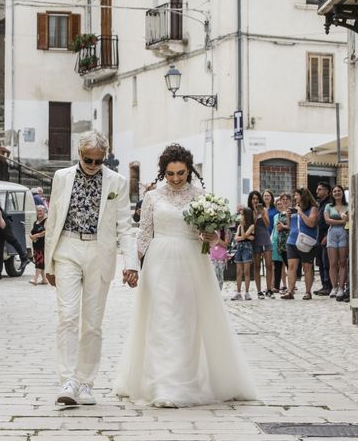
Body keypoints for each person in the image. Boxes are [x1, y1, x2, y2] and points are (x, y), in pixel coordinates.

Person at [115, 144, 256, 408]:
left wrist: (212, 236)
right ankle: (163, 384)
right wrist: (132, 266)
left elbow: (207, 236)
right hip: (159, 262)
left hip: (192, 262)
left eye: (181, 173)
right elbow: (144, 233)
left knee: (187, 320)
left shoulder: (201, 197)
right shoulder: (153, 198)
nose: (176, 179)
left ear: (189, 170)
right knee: (163, 318)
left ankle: (185, 381)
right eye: (170, 174)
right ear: (163, 173)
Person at [45, 131, 139, 406]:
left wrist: (131, 264)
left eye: (99, 161)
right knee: (68, 316)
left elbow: (125, 225)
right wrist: (48, 262)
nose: (93, 165)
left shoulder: (117, 182)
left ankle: (86, 382)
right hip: (68, 248)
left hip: (100, 250)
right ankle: (68, 380)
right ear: (79, 154)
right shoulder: (62, 177)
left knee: (93, 323)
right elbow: (52, 221)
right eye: (89, 160)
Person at [283, 187, 319, 300]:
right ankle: (290, 291)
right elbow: (290, 227)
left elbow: (311, 223)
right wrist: (289, 216)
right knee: (292, 267)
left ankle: (308, 292)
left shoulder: (313, 209)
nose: (294, 197)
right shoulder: (294, 209)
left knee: (307, 266)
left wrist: (300, 212)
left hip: (306, 241)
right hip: (292, 241)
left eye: (296, 195)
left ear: (303, 196)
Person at [324, 185, 350, 300]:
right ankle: (334, 287)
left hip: (344, 233)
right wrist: (342, 221)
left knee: (343, 262)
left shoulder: (347, 206)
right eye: (334, 191)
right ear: (332, 194)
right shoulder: (328, 206)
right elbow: (327, 220)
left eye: (339, 191)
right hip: (332, 234)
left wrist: (342, 221)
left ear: (342, 193)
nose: (337, 193)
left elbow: (349, 219)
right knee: (333, 262)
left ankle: (341, 287)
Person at [248, 190, 273, 299]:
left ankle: (269, 289)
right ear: (250, 200)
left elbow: (267, 224)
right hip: (255, 239)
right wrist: (255, 214)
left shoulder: (264, 210)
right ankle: (259, 290)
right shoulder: (248, 211)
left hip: (265, 237)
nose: (255, 200)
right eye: (253, 199)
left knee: (268, 265)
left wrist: (262, 213)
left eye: (257, 199)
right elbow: (250, 225)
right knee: (257, 265)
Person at [313, 182, 333, 296]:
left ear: (327, 191)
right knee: (320, 261)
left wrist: (326, 235)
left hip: (326, 235)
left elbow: (328, 221)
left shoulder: (329, 204)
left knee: (326, 262)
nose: (317, 191)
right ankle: (324, 285)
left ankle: (328, 285)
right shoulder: (320, 204)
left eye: (320, 189)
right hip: (319, 235)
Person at [231, 207, 255, 301]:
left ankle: (247, 292)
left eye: (242, 214)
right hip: (240, 248)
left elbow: (244, 235)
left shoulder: (251, 225)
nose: (240, 216)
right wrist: (245, 236)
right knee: (238, 272)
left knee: (246, 272)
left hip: (247, 248)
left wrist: (244, 235)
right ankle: (238, 292)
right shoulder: (239, 226)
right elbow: (236, 238)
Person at [269, 193, 288, 294]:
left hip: (285, 241)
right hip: (276, 241)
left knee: (287, 264)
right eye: (278, 204)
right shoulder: (276, 216)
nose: (280, 206)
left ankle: (289, 285)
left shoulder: (288, 214)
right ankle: (276, 286)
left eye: (281, 204)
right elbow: (274, 229)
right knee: (277, 264)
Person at [29, 205, 47, 285]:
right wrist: (31, 236)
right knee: (39, 261)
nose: (39, 212)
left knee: (39, 262)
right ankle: (44, 279)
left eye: (41, 211)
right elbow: (32, 231)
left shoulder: (46, 221)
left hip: (43, 245)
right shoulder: (35, 222)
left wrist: (36, 236)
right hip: (36, 245)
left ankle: (35, 279)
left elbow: (46, 232)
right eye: (38, 211)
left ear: (44, 212)